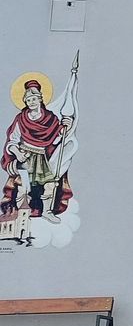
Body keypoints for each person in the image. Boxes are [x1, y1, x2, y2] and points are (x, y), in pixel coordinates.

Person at [2, 80, 73, 222]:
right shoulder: (21, 118)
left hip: (41, 158)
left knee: (50, 184)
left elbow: (56, 140)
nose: (31, 102)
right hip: (25, 156)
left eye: (34, 98)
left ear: (40, 99)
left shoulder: (50, 118)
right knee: (23, 186)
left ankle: (47, 211)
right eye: (28, 100)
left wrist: (66, 127)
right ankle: (21, 215)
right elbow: (12, 140)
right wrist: (18, 153)